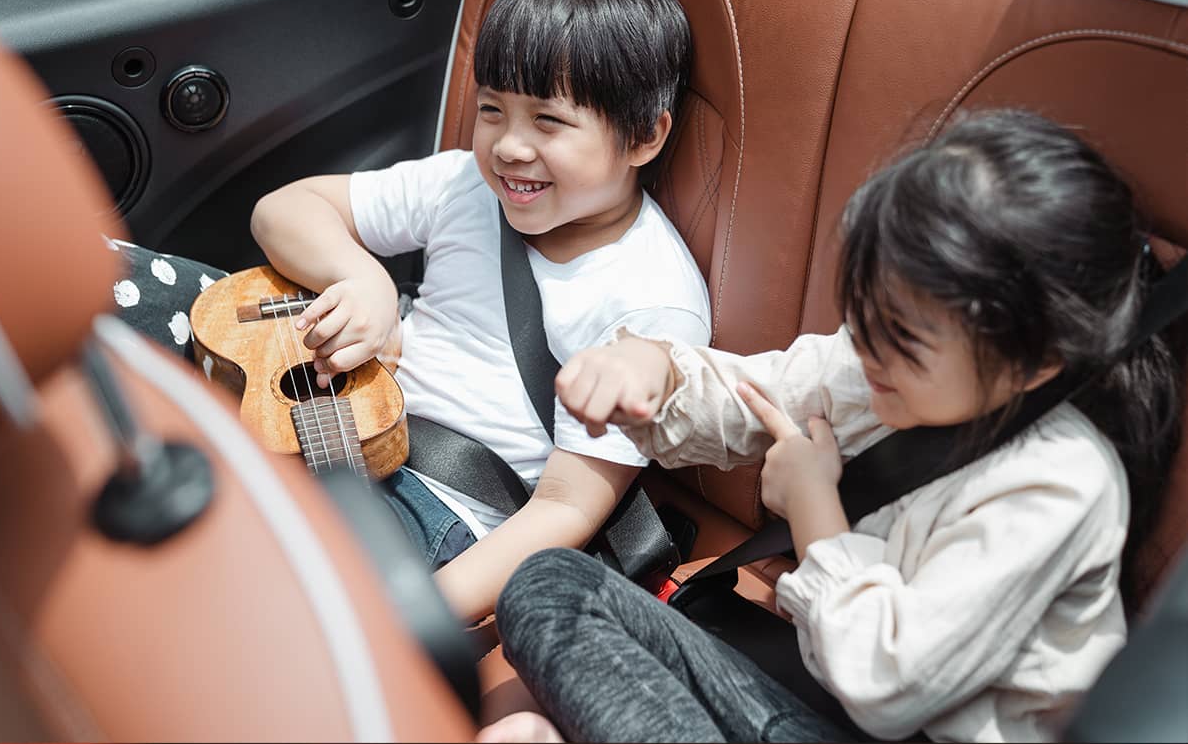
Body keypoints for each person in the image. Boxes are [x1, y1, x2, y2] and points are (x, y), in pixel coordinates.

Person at [480, 110, 1186, 743]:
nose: (864, 344)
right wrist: (654, 373)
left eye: (903, 334)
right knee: (547, 584)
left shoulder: (1059, 482)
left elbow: (887, 685)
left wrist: (814, 506)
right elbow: (753, 393)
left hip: (888, 713)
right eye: (863, 309)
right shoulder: (871, 363)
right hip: (809, 684)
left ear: (1037, 360)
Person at [245, 0, 709, 624]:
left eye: (548, 121)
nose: (509, 148)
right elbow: (281, 210)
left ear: (642, 136)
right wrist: (363, 278)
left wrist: (414, 618)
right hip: (344, 424)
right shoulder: (465, 184)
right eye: (492, 109)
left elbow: (565, 506)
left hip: (440, 507)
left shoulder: (651, 303)